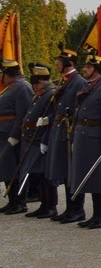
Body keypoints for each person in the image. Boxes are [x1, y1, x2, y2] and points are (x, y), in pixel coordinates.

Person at [70, 55, 101, 229]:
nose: (84, 69)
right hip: (85, 137)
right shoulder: (88, 87)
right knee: (89, 176)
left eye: (88, 67)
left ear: (96, 70)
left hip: (98, 138)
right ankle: (95, 214)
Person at [43, 45, 87, 224]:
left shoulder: (78, 81)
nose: (56, 64)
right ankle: (69, 208)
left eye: (59, 62)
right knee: (64, 169)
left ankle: (77, 209)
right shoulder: (65, 80)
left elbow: (79, 108)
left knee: (72, 171)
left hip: (69, 129)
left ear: (68, 63)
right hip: (60, 127)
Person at [15, 65, 55, 218]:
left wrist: (43, 136)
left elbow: (50, 117)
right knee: (37, 173)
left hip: (40, 138)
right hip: (33, 137)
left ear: (40, 82)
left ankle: (50, 205)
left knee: (45, 174)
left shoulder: (49, 94)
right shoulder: (41, 94)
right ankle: (44, 204)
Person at [0, 59, 33, 214]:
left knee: (16, 169)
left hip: (12, 134)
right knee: (7, 168)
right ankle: (12, 200)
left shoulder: (22, 87)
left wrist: (15, 134)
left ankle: (20, 201)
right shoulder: (11, 87)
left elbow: (22, 114)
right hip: (4, 133)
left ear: (8, 73)